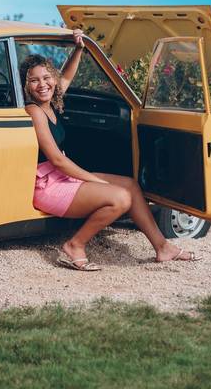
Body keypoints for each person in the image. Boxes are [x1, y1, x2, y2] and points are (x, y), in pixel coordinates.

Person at [21, 29, 200, 271]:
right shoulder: (34, 111)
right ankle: (75, 245)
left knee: (130, 185)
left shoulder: (51, 101)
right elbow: (57, 160)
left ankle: (162, 247)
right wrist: (93, 180)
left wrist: (79, 48)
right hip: (47, 185)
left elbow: (66, 78)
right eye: (34, 80)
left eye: (46, 78)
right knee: (120, 198)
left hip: (62, 177)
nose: (42, 84)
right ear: (26, 85)